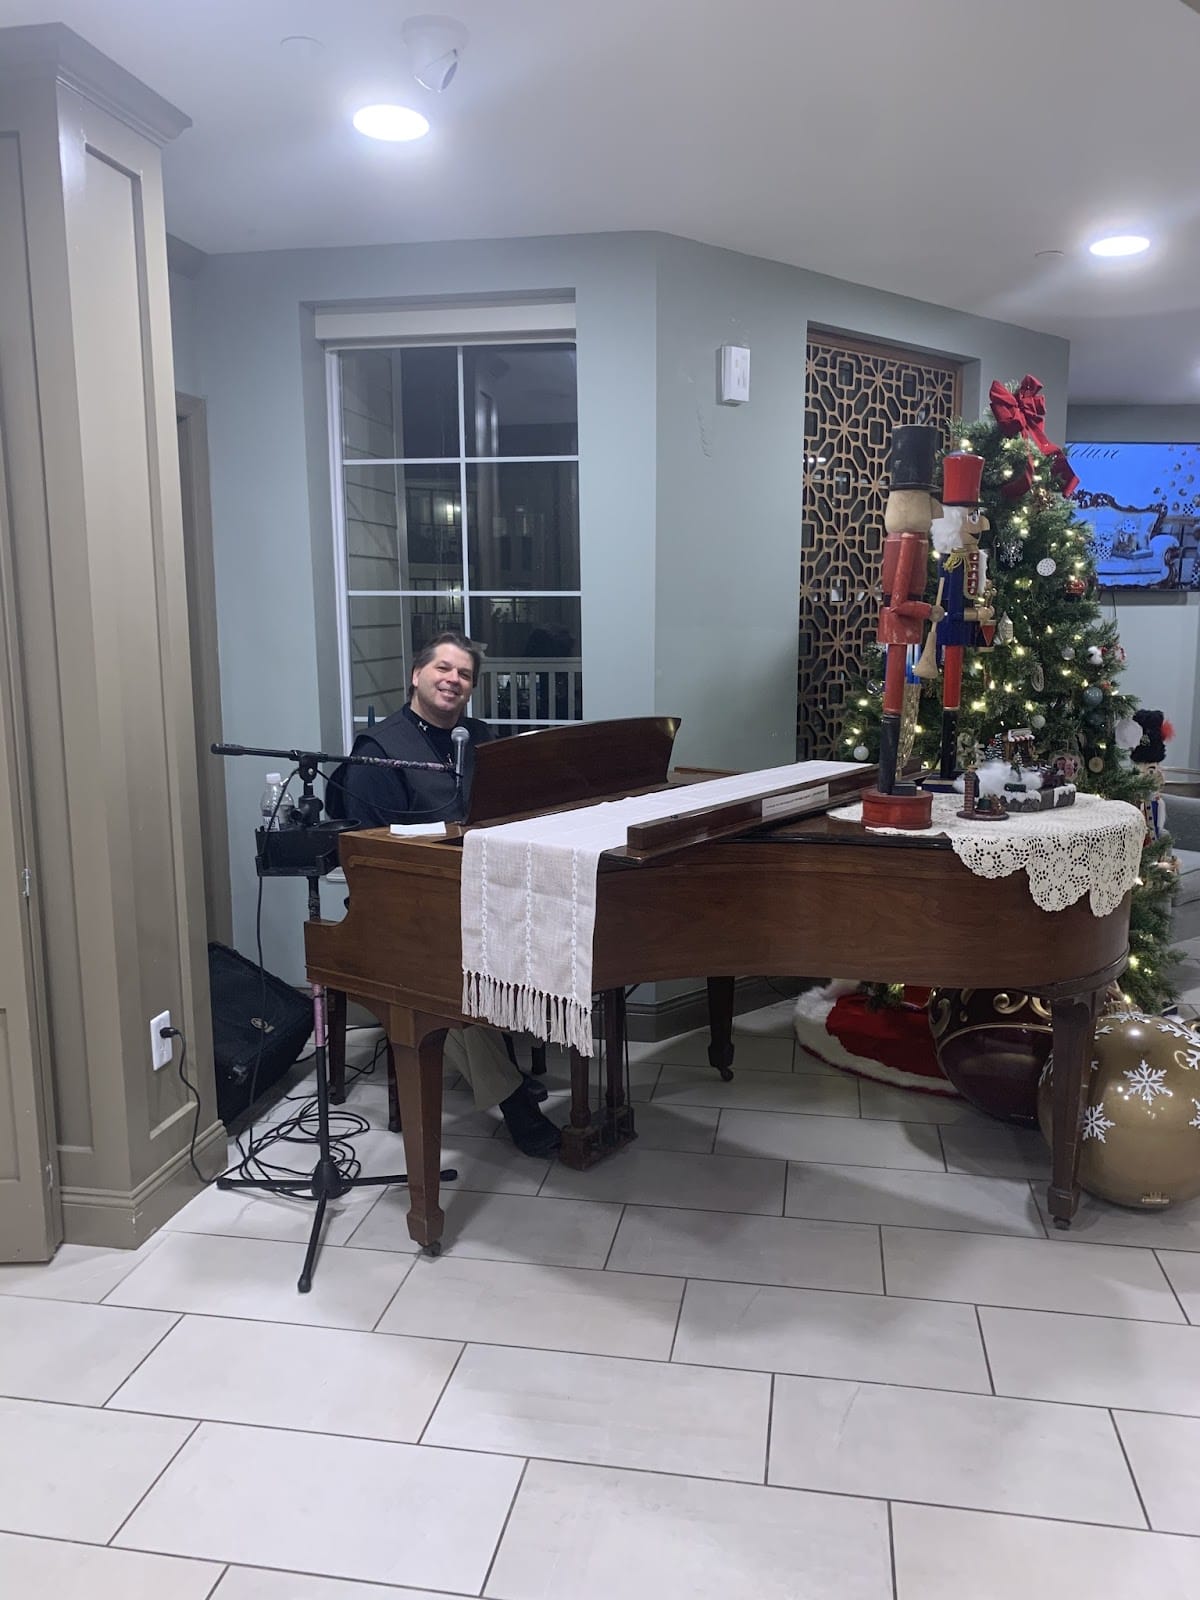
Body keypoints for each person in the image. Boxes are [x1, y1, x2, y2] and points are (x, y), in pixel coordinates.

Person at [329, 632, 561, 1157]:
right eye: (443, 668)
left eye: (465, 675)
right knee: (447, 975)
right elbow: (365, 857)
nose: (454, 680)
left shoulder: (478, 736)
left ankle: (510, 1063)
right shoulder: (379, 752)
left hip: (470, 897)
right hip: (397, 911)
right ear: (416, 675)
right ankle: (514, 1101)